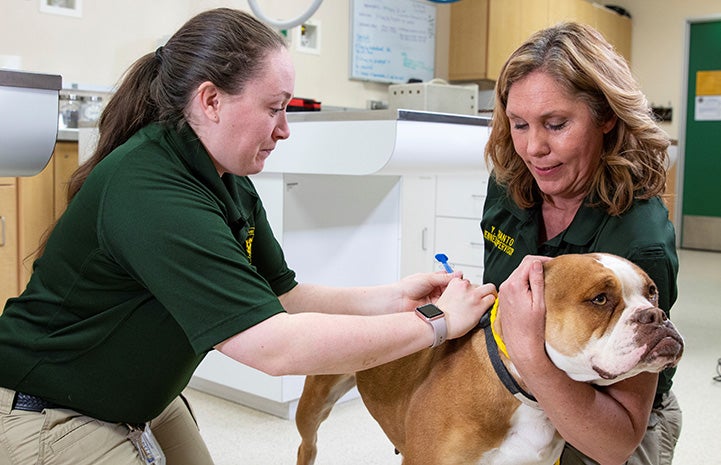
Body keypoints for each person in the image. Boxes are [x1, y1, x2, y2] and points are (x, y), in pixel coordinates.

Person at [0, 8, 497, 465]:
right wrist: (435, 323)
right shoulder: (151, 188)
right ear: (211, 101)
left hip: (137, 402)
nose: (285, 130)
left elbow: (285, 296)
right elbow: (271, 346)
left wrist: (393, 297)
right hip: (51, 413)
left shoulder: (227, 179)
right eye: (275, 108)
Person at [481, 22, 680, 465]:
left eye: (556, 124)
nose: (534, 148)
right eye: (518, 124)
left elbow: (614, 443)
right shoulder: (511, 184)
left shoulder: (639, 239)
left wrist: (531, 355)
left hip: (610, 411)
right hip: (518, 389)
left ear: (606, 116)